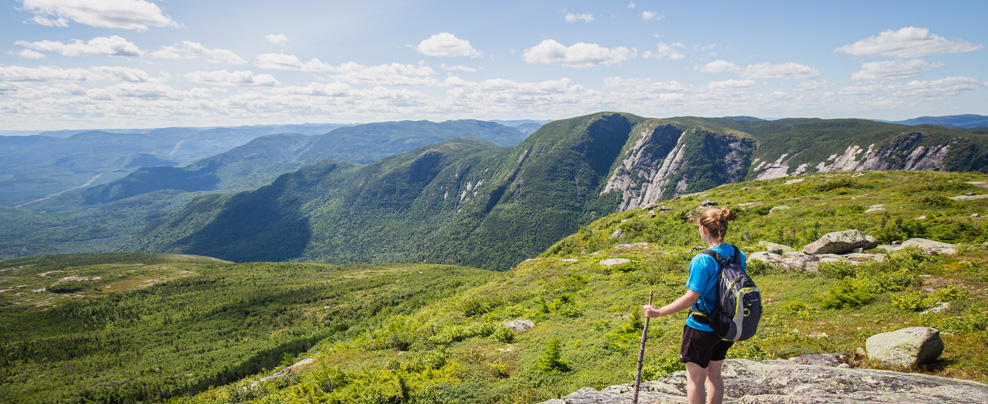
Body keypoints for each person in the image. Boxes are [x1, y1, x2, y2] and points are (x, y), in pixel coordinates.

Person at [642, 207, 746, 404]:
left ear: (704, 229)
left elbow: (691, 298)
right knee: (715, 375)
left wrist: (659, 312)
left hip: (702, 327)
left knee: (695, 380)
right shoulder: (738, 254)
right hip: (727, 325)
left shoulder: (702, 259)